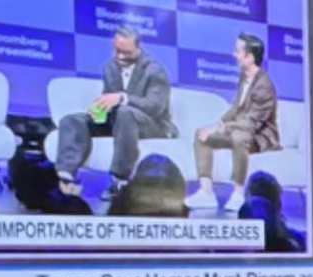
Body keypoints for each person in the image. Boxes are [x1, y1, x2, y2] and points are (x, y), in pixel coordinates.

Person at [55, 27, 174, 186]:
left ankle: (119, 179)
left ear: (138, 48)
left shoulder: (155, 71)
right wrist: (101, 108)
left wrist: (122, 98)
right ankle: (66, 174)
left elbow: (155, 107)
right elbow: (110, 100)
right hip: (120, 121)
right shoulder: (110, 67)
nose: (120, 56)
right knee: (72, 120)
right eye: (117, 50)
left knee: (125, 113)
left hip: (152, 126)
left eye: (126, 52)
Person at [191, 32, 283, 185]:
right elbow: (236, 108)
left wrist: (223, 128)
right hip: (241, 129)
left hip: (261, 136)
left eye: (238, 51)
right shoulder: (244, 76)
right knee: (202, 135)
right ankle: (205, 190)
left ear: (250, 57)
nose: (234, 55)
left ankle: (238, 192)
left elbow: (252, 124)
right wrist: (217, 125)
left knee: (238, 138)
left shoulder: (264, 86)